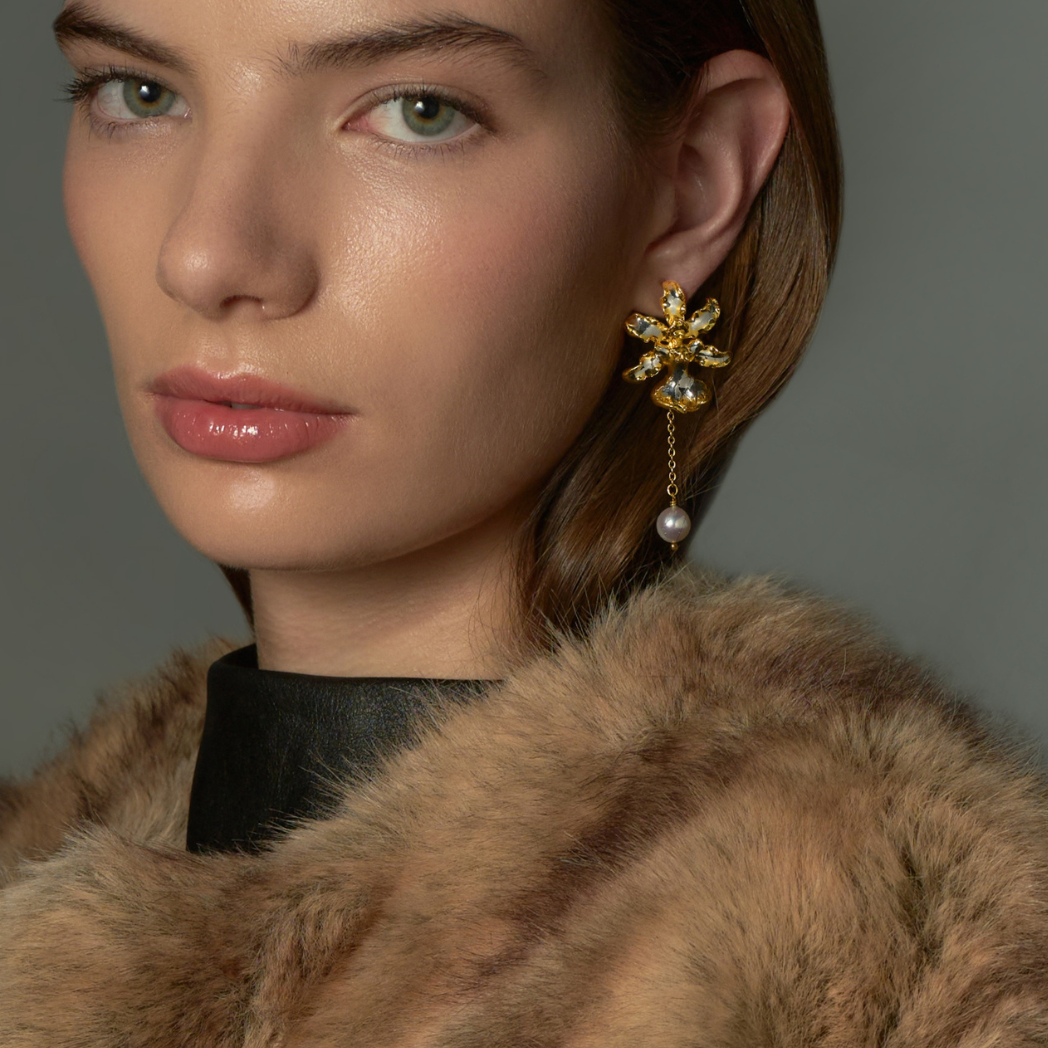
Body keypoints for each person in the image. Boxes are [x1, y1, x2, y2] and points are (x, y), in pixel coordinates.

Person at [1, 0, 1046, 1042]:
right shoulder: (43, 846)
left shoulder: (896, 970)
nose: (205, 257)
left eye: (418, 110)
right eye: (140, 93)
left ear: (693, 183)